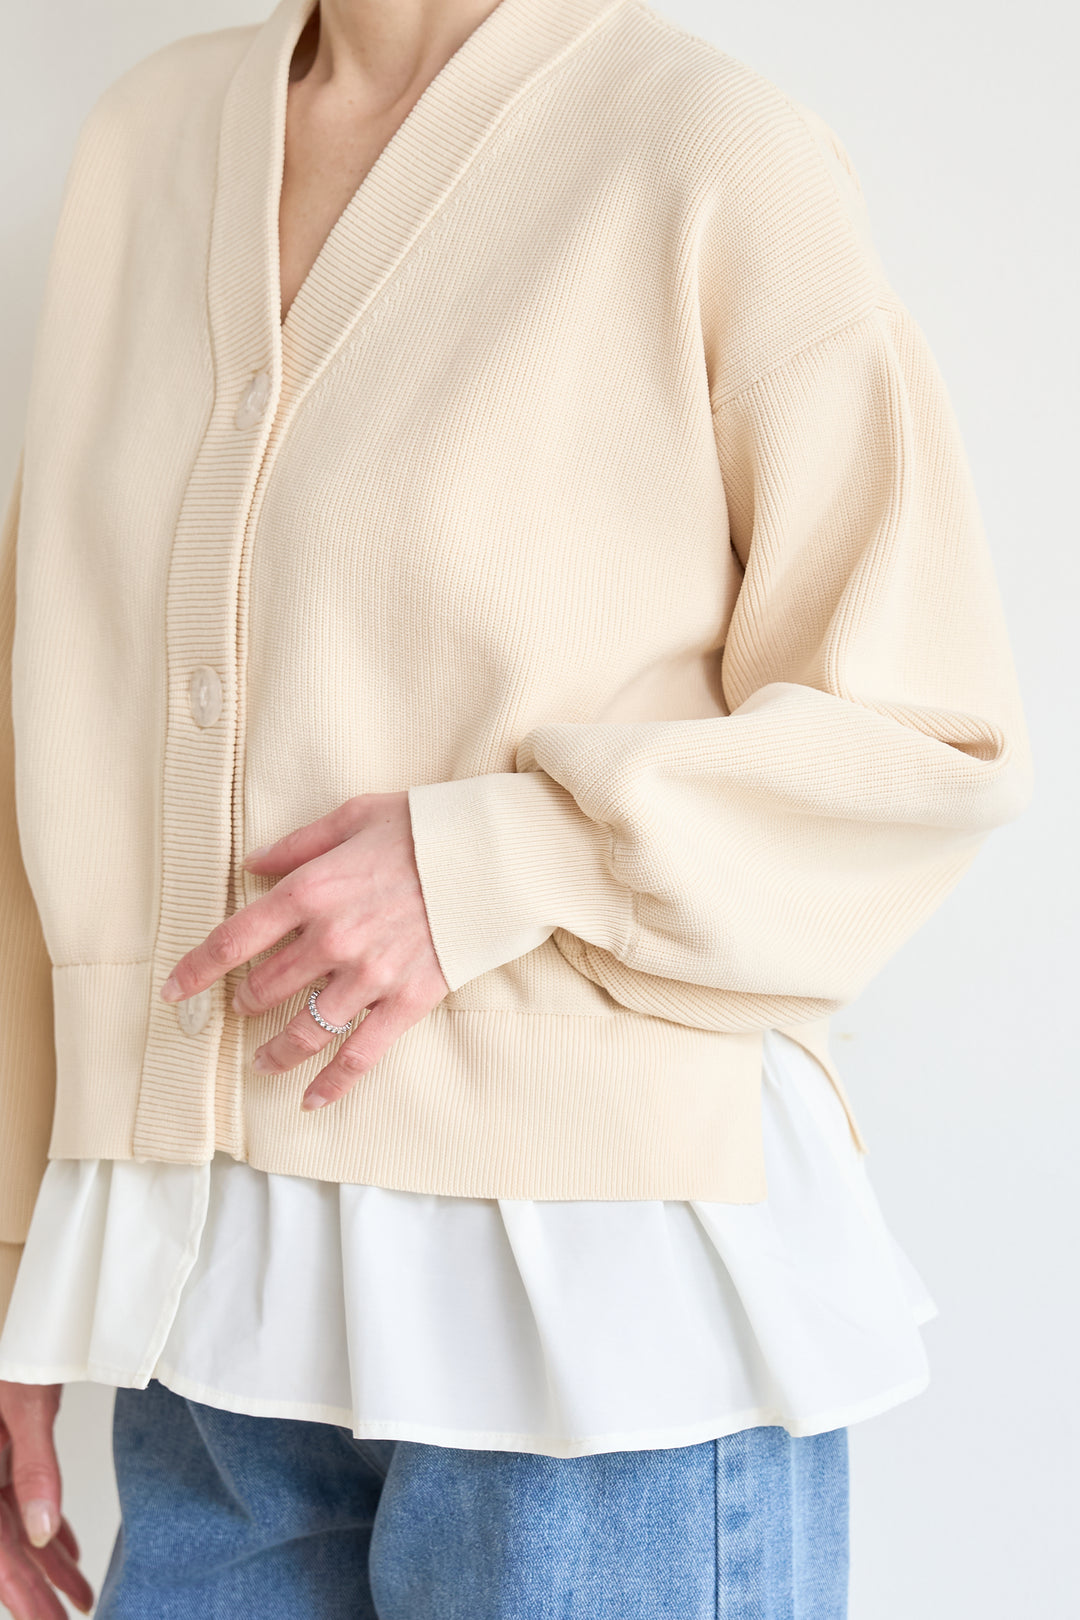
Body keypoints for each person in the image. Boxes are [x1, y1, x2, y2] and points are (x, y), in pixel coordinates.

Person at [0, 0, 1030, 1615]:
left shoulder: (706, 150)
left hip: (601, 1331)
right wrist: (16, 1266)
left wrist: (511, 855)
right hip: (211, 1320)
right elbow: (51, 730)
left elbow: (927, 738)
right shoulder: (148, 141)